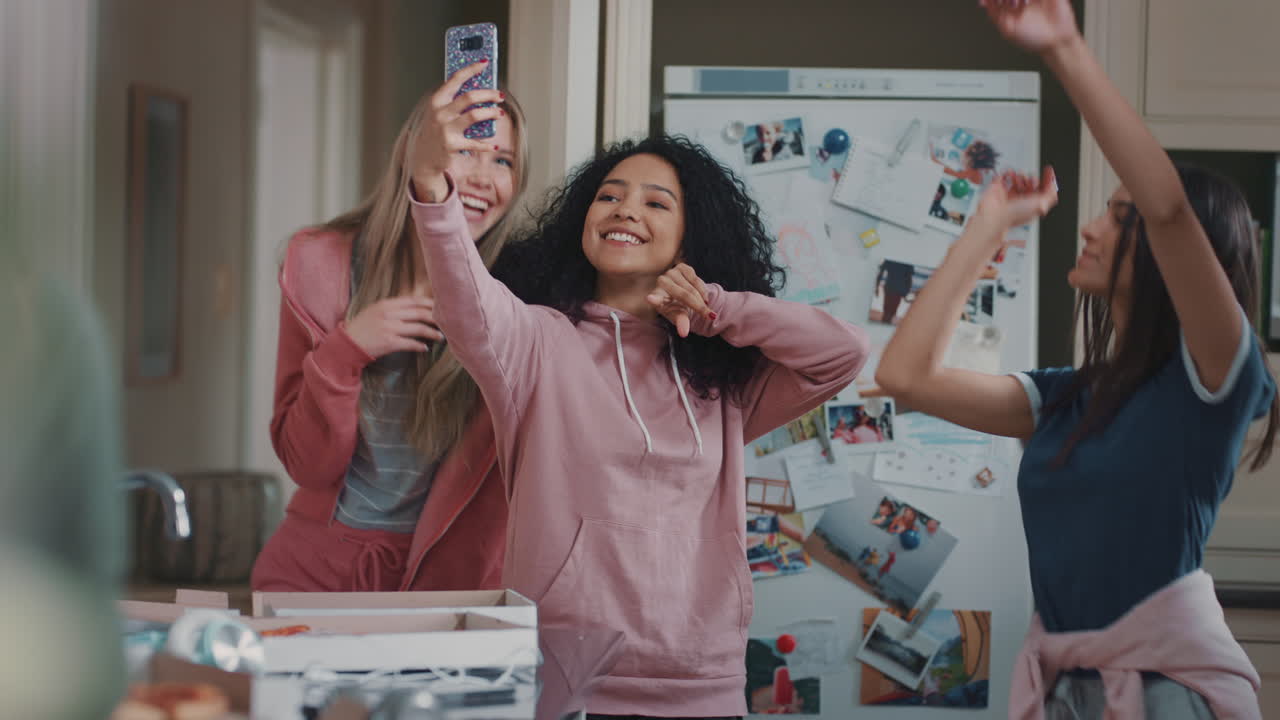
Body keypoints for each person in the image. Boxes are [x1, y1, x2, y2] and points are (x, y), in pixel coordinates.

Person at [877, 1, 1276, 717]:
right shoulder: (1063, 398)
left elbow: (1171, 211)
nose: (1091, 228)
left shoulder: (1212, 383)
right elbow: (904, 377)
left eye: (1119, 216)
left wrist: (1065, 47)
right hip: (1064, 688)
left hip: (1160, 693)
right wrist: (986, 227)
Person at [409, 129, 870, 718]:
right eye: (609, 196)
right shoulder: (536, 342)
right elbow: (465, 302)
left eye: (656, 202)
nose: (625, 208)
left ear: (691, 235)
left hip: (702, 683)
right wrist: (431, 191)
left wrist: (717, 310)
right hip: (567, 678)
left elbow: (844, 353)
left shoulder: (725, 381)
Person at [251, 62, 529, 593]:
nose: (481, 177)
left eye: (503, 160)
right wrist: (346, 350)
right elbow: (307, 465)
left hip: (451, 585)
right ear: (415, 152)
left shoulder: (519, 295)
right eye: (465, 149)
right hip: (313, 576)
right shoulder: (321, 264)